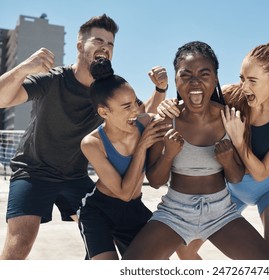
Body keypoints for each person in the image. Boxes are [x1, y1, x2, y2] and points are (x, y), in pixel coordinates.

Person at [0, 14, 168, 260]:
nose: (106, 47)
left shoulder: (108, 90)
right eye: (98, 40)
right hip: (34, 171)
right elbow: (3, 99)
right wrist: (25, 67)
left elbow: (140, 115)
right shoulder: (53, 79)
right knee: (21, 240)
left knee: (103, 230)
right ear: (80, 46)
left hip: (76, 177)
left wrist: (160, 89)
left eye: (110, 44)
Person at [122, 41, 269, 260]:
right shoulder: (165, 121)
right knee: (130, 266)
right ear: (176, 79)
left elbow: (235, 177)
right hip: (175, 212)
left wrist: (227, 160)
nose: (195, 82)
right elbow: (156, 181)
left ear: (215, 79)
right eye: (185, 75)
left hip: (221, 212)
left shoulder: (231, 118)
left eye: (204, 74)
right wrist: (168, 155)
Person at [158, 40, 269, 260]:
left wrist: (239, 141)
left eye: (253, 81)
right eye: (242, 78)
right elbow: (193, 100)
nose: (244, 87)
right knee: (185, 249)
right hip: (230, 189)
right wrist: (168, 104)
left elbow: (261, 173)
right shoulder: (231, 96)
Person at [77, 58, 170, 260]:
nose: (135, 111)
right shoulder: (92, 143)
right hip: (99, 212)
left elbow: (155, 112)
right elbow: (124, 193)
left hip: (134, 210)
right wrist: (142, 147)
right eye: (126, 107)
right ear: (104, 112)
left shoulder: (142, 123)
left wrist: (161, 89)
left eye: (135, 102)